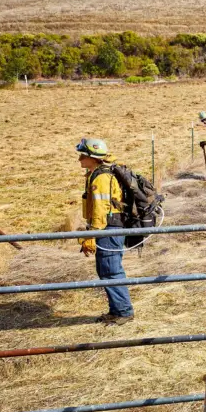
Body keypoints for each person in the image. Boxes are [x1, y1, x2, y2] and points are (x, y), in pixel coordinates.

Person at [76, 138, 134, 325]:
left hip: (108, 229)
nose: (79, 159)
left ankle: (124, 312)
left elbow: (101, 210)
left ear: (92, 157)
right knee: (106, 270)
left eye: (83, 155)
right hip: (108, 228)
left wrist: (91, 234)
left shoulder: (101, 178)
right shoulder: (97, 174)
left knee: (111, 270)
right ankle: (116, 310)